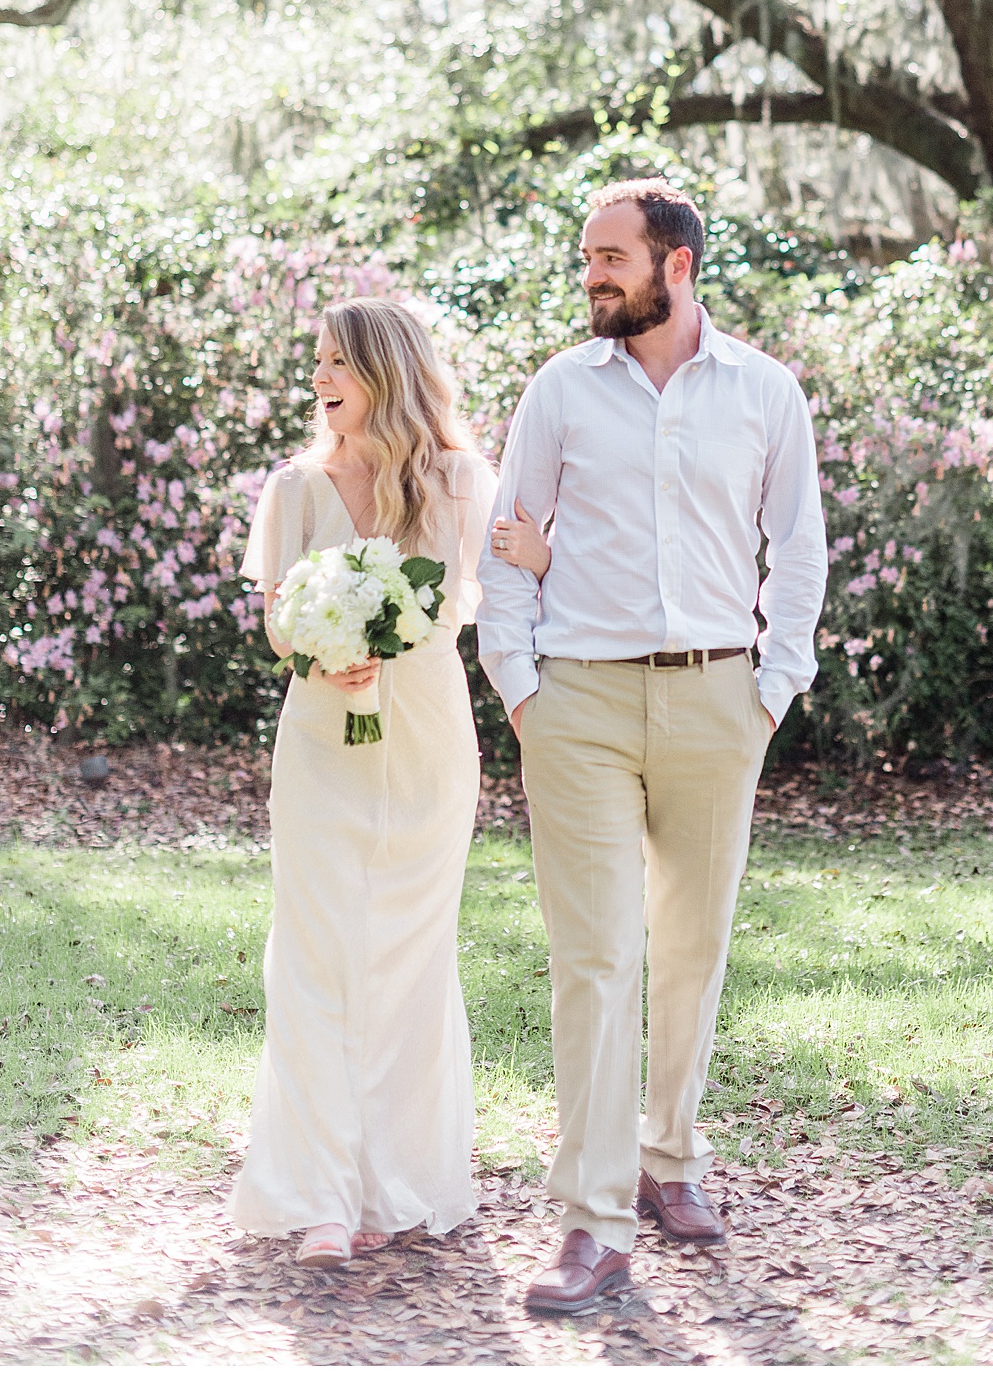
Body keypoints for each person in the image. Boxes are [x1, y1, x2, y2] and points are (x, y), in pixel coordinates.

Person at [478, 179, 827, 1316]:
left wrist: (770, 689)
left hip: (717, 699)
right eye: (588, 256)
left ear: (675, 264)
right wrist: (522, 688)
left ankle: (668, 1156)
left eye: (611, 256)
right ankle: (591, 1221)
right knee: (593, 959)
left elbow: (800, 553)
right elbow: (503, 546)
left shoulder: (764, 392)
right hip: (574, 704)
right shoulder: (559, 390)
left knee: (689, 946)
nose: (592, 274)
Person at [231, 296, 549, 1268]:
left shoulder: (457, 478)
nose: (321, 375)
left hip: (423, 737)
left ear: (386, 369)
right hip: (320, 738)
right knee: (317, 953)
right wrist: (320, 650)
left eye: (339, 360)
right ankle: (321, 1193)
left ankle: (393, 1181)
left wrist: (540, 560)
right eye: (317, 360)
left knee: (406, 957)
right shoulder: (295, 486)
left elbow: (514, 585)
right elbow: (280, 616)